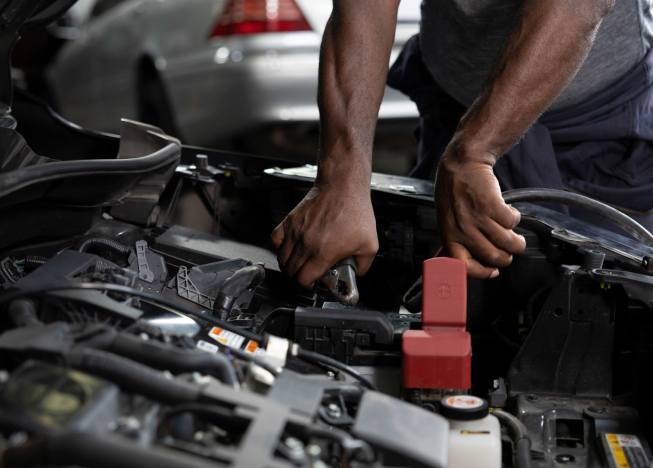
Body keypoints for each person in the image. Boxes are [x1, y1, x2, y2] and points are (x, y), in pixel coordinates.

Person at [271, 0, 653, 287]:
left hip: (597, 129)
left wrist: (473, 152)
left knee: (597, 307)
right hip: (452, 113)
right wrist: (340, 180)